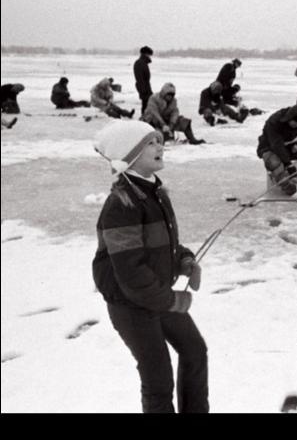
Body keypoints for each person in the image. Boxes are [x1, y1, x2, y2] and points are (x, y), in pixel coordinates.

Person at [92, 120, 208, 413]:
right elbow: (130, 272)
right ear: (130, 155)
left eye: (159, 140)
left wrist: (183, 260)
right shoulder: (122, 204)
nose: (161, 146)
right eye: (151, 143)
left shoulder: (155, 192)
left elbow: (163, 245)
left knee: (195, 351)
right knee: (158, 379)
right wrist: (173, 300)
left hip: (154, 294)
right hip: (130, 304)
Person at [133, 46, 154, 114]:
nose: (150, 56)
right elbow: (140, 78)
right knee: (145, 105)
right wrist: (143, 90)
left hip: (146, 88)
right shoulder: (140, 63)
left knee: (147, 105)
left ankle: (146, 119)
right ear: (145, 54)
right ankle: (144, 120)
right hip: (144, 88)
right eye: (149, 54)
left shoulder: (144, 63)